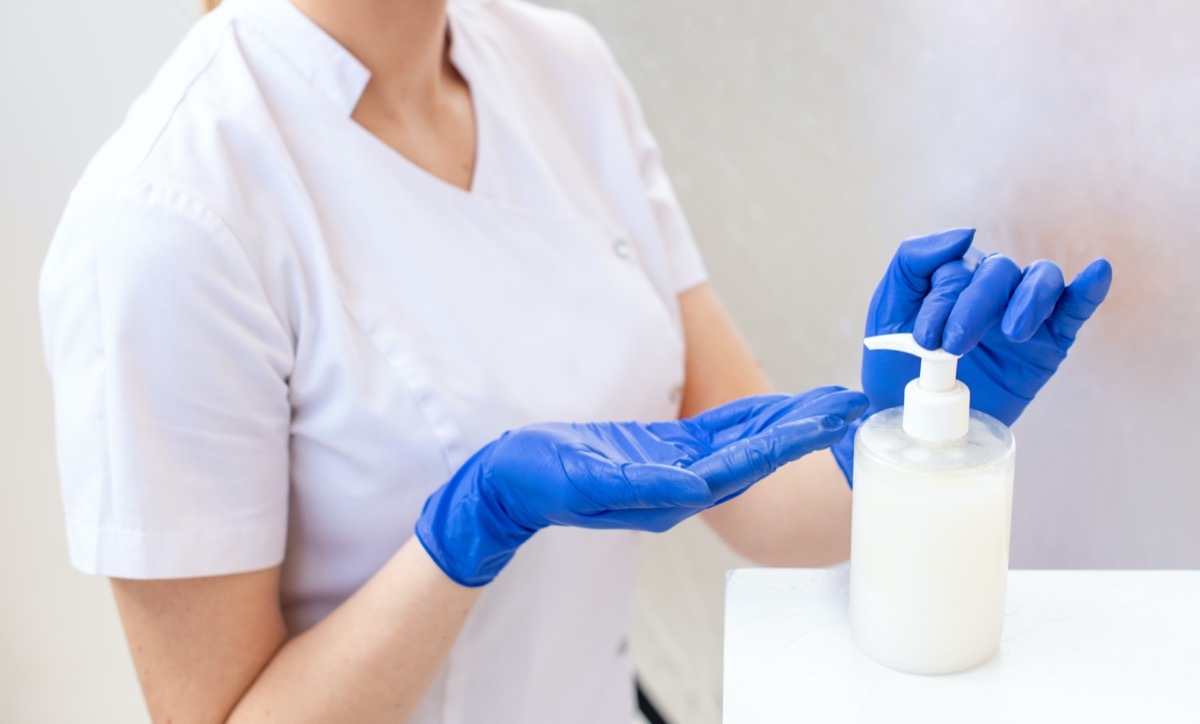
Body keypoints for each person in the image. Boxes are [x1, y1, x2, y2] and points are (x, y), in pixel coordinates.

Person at [37, 0, 1112, 721]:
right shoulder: (170, 217)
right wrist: (468, 530)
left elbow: (751, 493)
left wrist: (909, 429)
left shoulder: (559, 65)